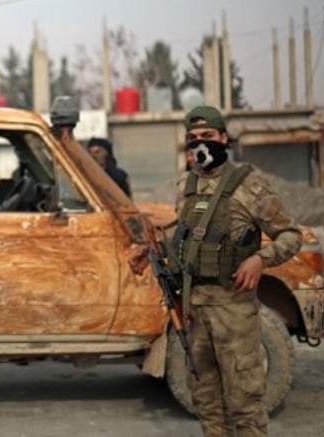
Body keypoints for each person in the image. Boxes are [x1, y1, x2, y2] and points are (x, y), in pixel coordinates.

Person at [129, 106, 301, 437]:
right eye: (192, 139)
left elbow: (290, 234)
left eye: (207, 137)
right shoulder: (188, 187)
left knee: (245, 404)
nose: (199, 145)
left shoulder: (249, 186)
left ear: (224, 138)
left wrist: (260, 259)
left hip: (233, 309)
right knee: (205, 400)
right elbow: (186, 236)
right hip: (195, 309)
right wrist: (152, 249)